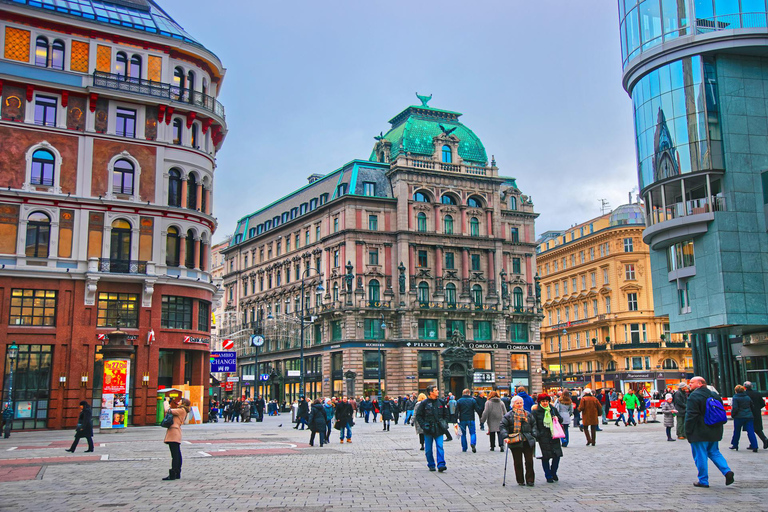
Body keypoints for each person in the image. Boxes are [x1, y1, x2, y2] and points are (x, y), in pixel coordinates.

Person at [685, 376, 734, 488]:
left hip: (699, 431)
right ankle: (727, 471)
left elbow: (691, 415)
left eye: (692, 382)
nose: (689, 384)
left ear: (700, 384)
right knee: (714, 452)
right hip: (715, 429)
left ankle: (703, 480)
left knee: (700, 455)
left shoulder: (694, 396)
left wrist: (688, 431)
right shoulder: (715, 395)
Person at [500, 396, 536, 486]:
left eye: (521, 403)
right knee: (518, 462)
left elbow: (534, 424)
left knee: (529, 461)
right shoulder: (508, 415)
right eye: (517, 403)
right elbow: (502, 426)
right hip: (515, 440)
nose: (520, 405)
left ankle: (530, 479)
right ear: (513, 405)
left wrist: (534, 434)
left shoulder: (528, 414)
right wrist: (505, 436)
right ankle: (520, 480)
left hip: (527, 440)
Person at [531, 393, 563, 483]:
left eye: (547, 401)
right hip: (543, 437)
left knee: (557, 456)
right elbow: (534, 425)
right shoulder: (536, 412)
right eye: (543, 401)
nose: (545, 403)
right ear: (539, 402)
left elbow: (561, 419)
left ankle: (553, 472)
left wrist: (557, 418)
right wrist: (537, 434)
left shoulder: (553, 409)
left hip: (554, 435)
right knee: (545, 458)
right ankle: (548, 475)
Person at [415, 385, 448, 472]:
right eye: (436, 390)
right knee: (428, 449)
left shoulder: (441, 402)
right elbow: (418, 416)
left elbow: (446, 414)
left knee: (440, 446)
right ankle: (431, 464)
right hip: (428, 429)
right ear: (431, 392)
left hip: (439, 428)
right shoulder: (424, 403)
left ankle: (441, 464)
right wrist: (423, 425)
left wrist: (444, 423)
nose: (438, 391)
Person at [162, 397, 190, 481]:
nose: (178, 402)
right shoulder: (182, 410)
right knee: (177, 453)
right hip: (175, 432)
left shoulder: (181, 410)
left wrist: (166, 402)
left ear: (183, 403)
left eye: (180, 401)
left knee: (175, 454)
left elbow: (168, 410)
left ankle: (173, 473)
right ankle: (177, 472)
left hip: (174, 433)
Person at [730, 385, 759, 452]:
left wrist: (733, 415)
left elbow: (735, 408)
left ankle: (735, 444)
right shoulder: (747, 397)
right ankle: (755, 446)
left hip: (739, 417)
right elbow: (752, 406)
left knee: (737, 431)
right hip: (749, 416)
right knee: (750, 431)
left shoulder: (735, 397)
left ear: (736, 391)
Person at [744, 381, 768, 450]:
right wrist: (757, 408)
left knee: (750, 429)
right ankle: (764, 439)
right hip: (757, 412)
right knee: (757, 428)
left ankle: (754, 443)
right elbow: (763, 403)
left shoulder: (745, 394)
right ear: (752, 386)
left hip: (748, 413)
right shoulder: (757, 393)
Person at [456, 389, 480, 453]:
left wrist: (455, 419)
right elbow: (477, 409)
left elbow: (456, 411)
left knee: (463, 434)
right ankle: (473, 443)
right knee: (472, 433)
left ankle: (464, 448)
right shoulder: (472, 400)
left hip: (462, 419)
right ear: (469, 393)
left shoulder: (459, 401)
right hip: (471, 419)